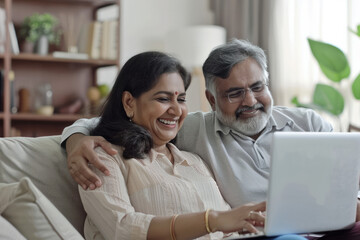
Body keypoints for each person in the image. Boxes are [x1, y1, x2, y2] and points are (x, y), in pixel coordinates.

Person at [62, 40, 360, 238]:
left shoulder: (192, 159)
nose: (251, 101)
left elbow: (344, 184)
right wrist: (75, 137)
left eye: (258, 87)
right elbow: (122, 226)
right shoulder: (191, 132)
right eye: (234, 93)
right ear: (212, 100)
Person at [75, 51, 266, 240]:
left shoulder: (194, 161)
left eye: (181, 99)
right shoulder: (103, 158)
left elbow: (226, 229)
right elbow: (122, 228)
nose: (176, 110)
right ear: (129, 102)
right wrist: (212, 220)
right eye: (163, 99)